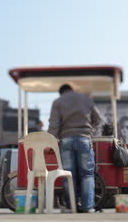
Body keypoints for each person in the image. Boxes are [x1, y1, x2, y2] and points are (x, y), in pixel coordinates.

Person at [48, 84, 102, 213]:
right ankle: (88, 207)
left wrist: (50, 141)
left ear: (61, 92)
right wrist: (90, 132)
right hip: (84, 139)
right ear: (72, 90)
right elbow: (98, 119)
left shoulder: (58, 102)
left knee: (68, 175)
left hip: (66, 140)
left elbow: (54, 124)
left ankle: (71, 206)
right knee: (87, 174)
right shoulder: (86, 99)